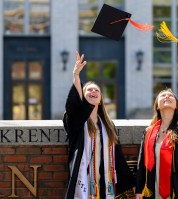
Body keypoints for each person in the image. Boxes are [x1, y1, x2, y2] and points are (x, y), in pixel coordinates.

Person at [63, 51, 135, 199]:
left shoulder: (107, 125)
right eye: (88, 90)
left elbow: (118, 156)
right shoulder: (77, 121)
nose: (93, 91)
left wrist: (130, 183)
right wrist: (76, 76)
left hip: (105, 183)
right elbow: (72, 107)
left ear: (101, 99)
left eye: (96, 90)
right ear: (82, 96)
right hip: (83, 182)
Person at [135, 85, 178, 199]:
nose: (167, 96)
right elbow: (142, 163)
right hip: (152, 188)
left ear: (176, 106)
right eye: (163, 95)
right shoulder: (149, 132)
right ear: (157, 106)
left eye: (170, 96)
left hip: (176, 190)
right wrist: (139, 189)